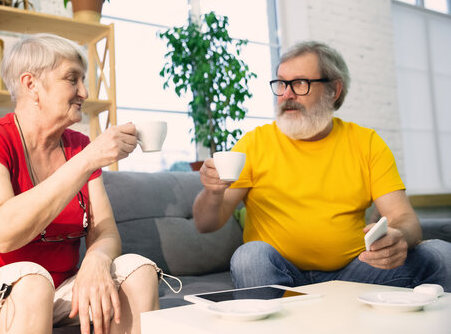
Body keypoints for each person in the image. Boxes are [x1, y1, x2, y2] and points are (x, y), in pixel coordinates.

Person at [0, 33, 160, 334]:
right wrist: (86, 161)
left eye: (83, 80)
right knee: (32, 284)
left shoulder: (79, 147)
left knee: (139, 272)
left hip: (51, 290)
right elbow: (0, 234)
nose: (83, 91)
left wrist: (96, 258)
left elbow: (105, 231)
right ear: (31, 85)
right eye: (72, 79)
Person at [193, 40, 451, 291]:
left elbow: (404, 218)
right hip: (281, 274)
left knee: (439, 253)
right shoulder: (255, 143)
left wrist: (399, 239)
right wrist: (213, 192)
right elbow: (205, 224)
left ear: (333, 90)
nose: (286, 94)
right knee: (250, 256)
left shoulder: (366, 143)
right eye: (281, 83)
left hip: (356, 274)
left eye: (300, 83)